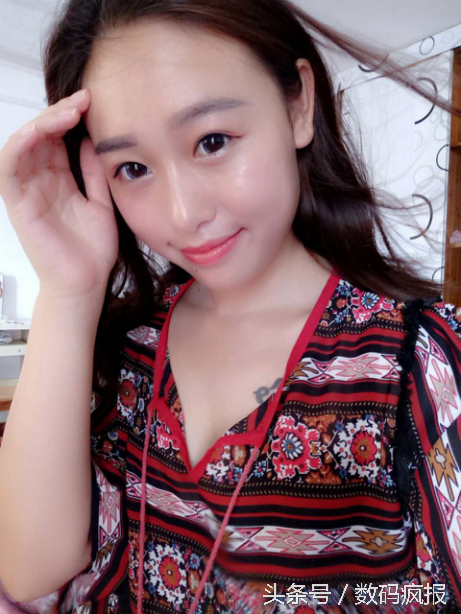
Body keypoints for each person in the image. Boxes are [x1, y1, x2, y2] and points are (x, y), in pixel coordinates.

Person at [0, 0, 460, 612]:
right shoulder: (119, 347)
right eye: (133, 168)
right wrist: (68, 291)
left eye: (212, 141)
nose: (184, 213)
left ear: (297, 106)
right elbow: (30, 569)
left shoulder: (420, 361)